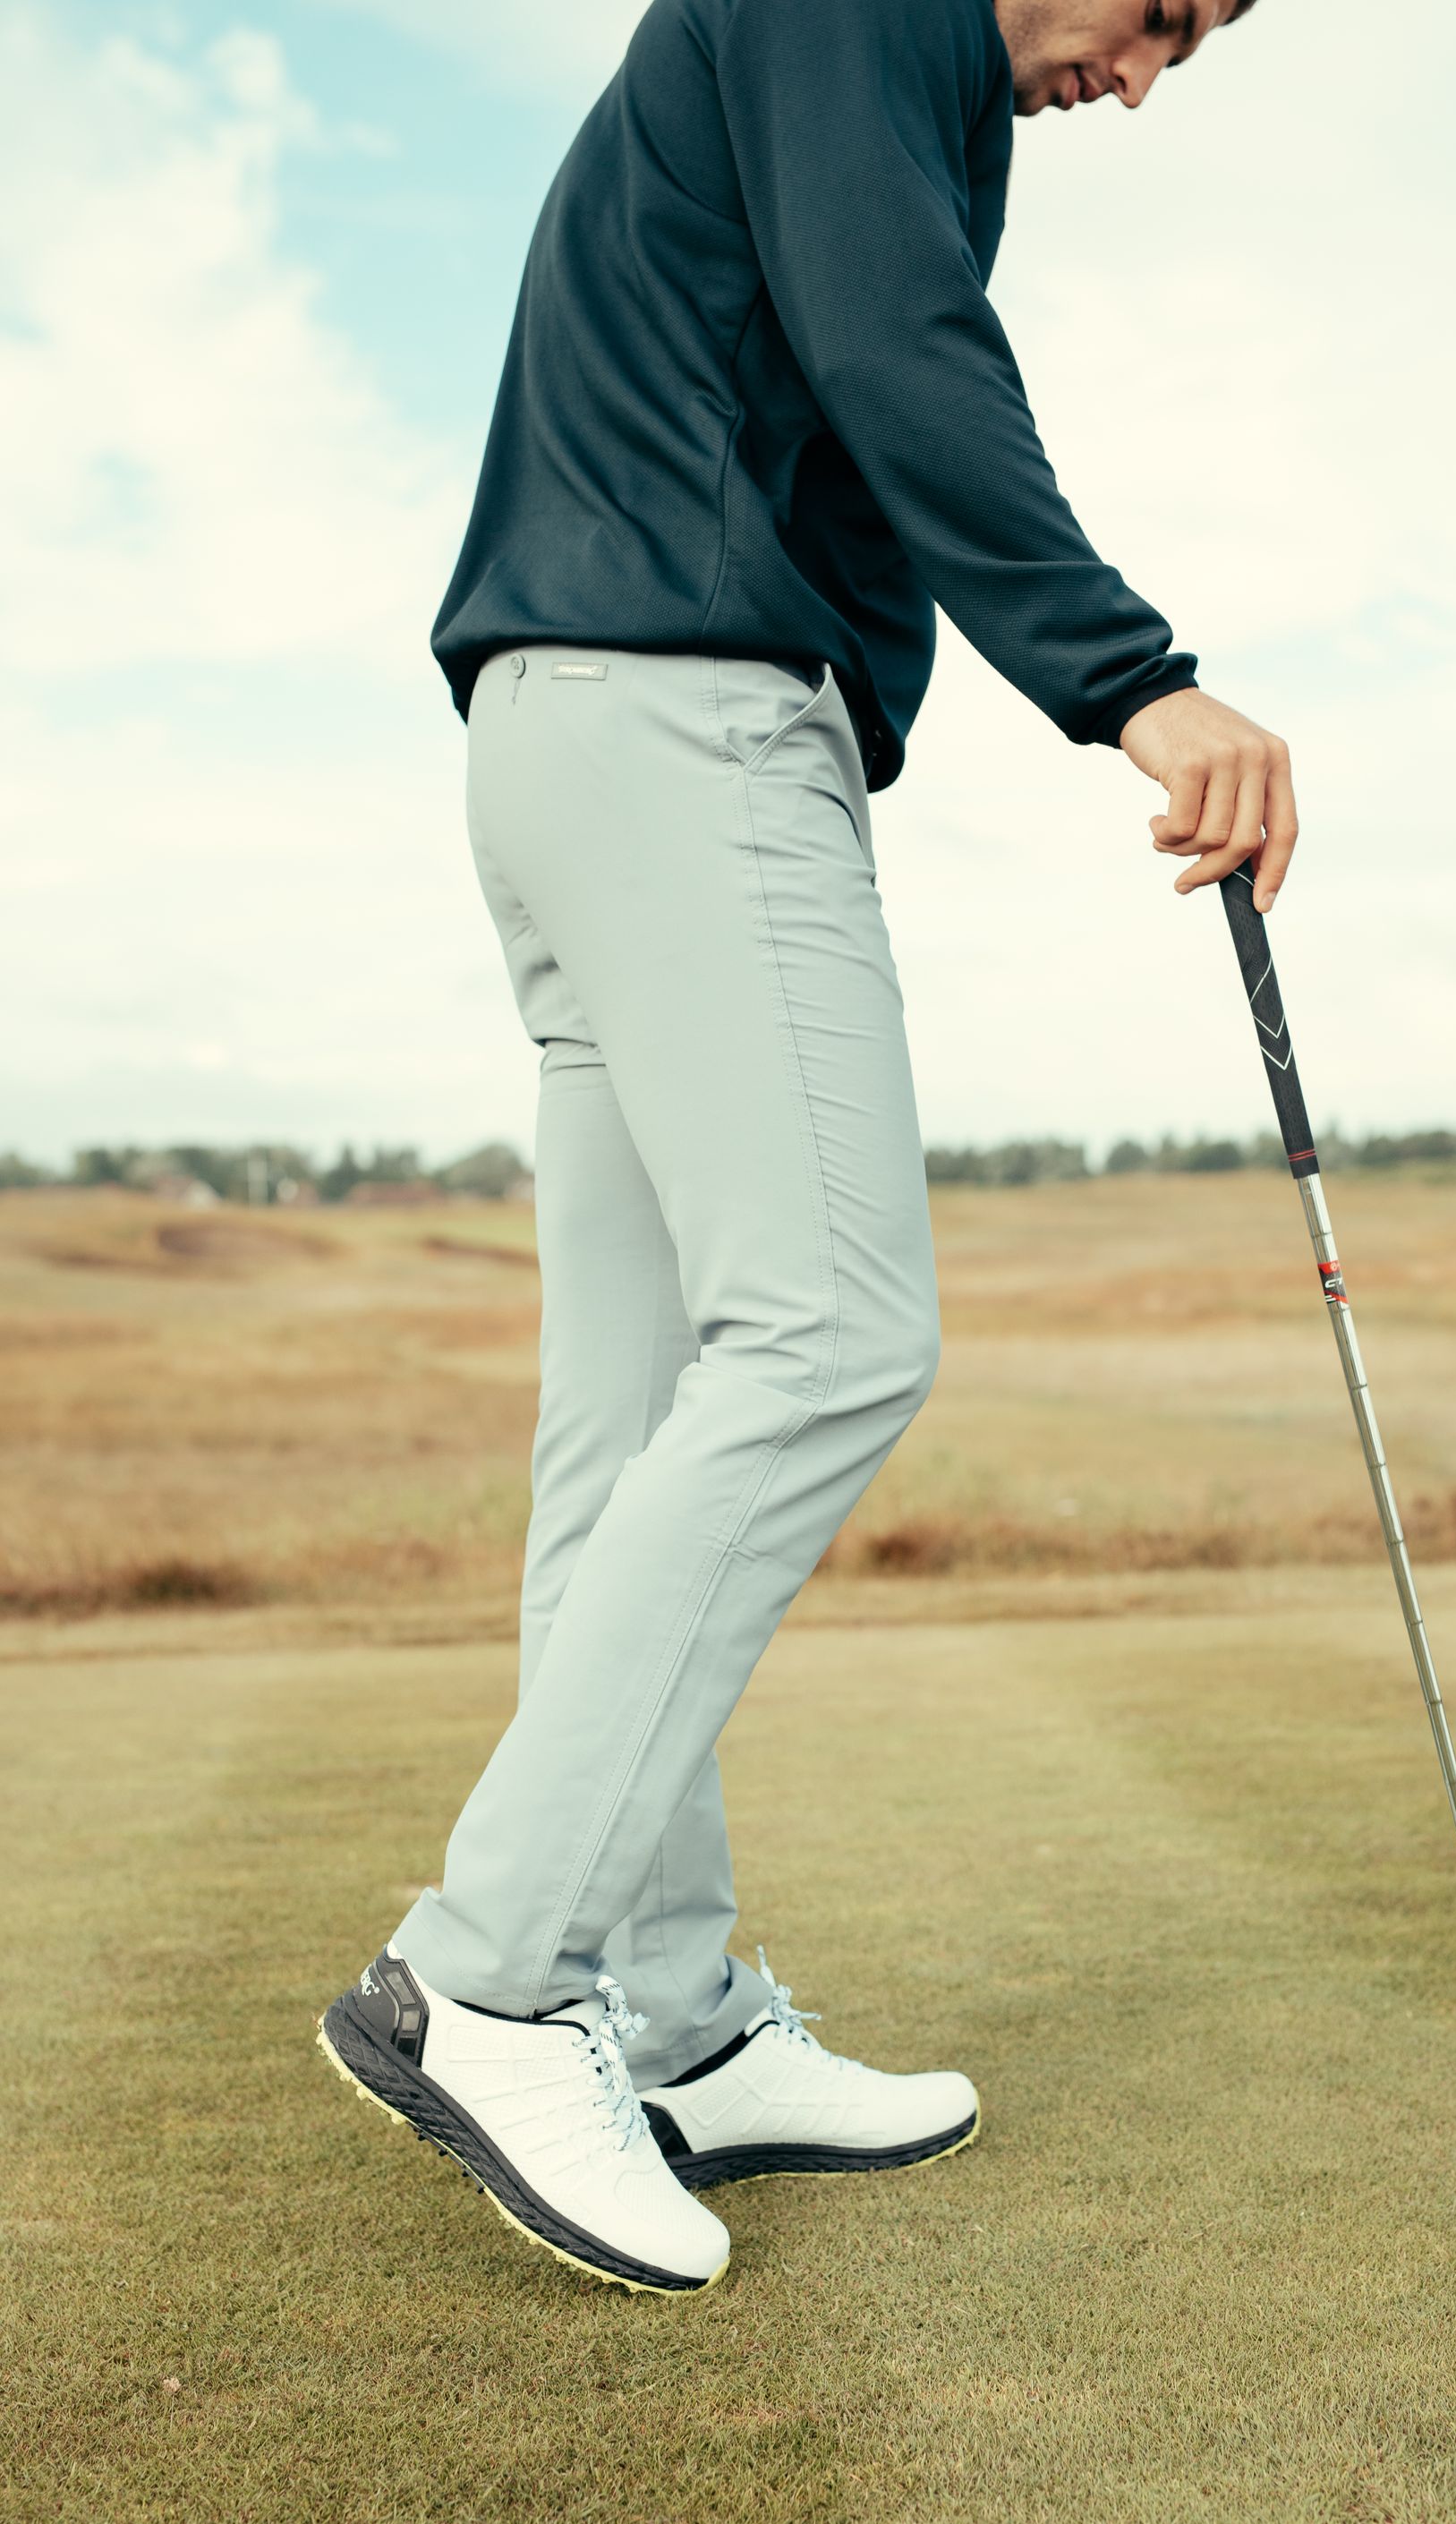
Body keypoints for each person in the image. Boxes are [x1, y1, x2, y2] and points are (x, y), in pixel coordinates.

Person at [319, 0, 1297, 2297]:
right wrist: (1132, 677)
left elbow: (838, 358)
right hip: (684, 719)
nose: (1143, 79)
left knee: (636, 1426)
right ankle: (487, 1976)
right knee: (834, 1330)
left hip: (570, 730)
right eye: (1162, 14)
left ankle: (667, 2018)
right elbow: (894, 345)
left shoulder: (888, 65)